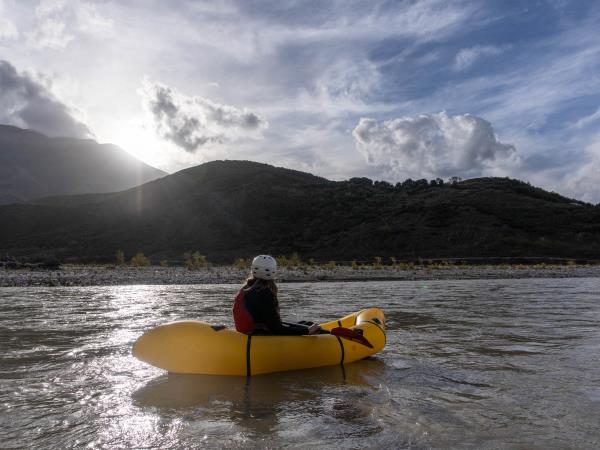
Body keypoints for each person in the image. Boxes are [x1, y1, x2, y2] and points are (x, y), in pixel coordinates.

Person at [232, 255, 321, 335]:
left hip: (252, 333)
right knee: (310, 327)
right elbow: (278, 329)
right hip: (260, 337)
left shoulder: (246, 288)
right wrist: (307, 331)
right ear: (273, 272)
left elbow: (271, 324)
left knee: (306, 324)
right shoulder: (264, 293)